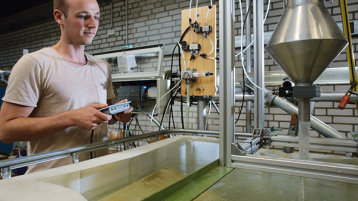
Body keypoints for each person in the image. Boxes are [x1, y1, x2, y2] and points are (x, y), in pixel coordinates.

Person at [0, 0, 132, 173]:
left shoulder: (102, 67)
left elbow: (103, 117)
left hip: (97, 176)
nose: (92, 24)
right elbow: (6, 131)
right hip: (53, 182)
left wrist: (118, 116)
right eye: (83, 16)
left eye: (96, 17)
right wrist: (70, 118)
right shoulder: (35, 64)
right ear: (59, 17)